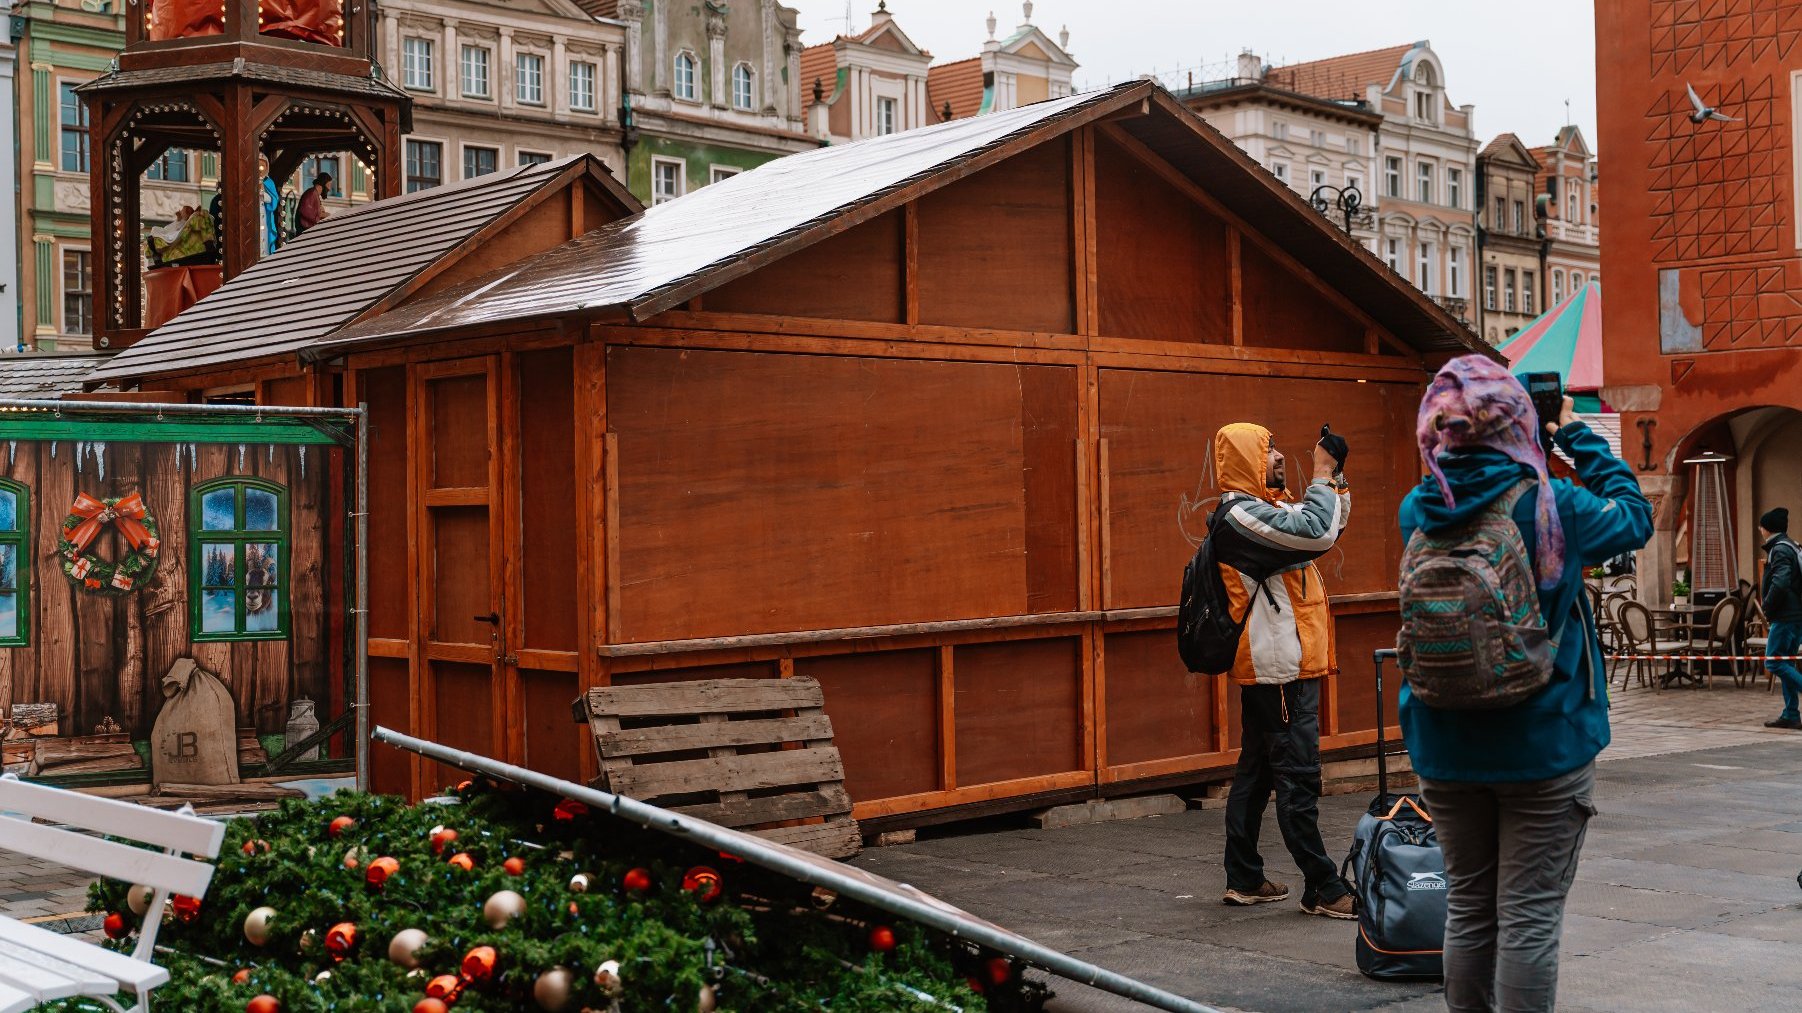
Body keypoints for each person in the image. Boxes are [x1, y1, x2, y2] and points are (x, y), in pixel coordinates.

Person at [1399, 356, 1652, 1013]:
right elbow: (1634, 517)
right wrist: (1574, 433)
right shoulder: (1551, 504)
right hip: (1544, 741)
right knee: (1529, 913)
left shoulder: (1419, 507)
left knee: (1470, 905)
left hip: (1444, 740)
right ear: (1517, 422)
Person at [1212, 421, 1357, 919]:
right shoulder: (1240, 517)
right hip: (1279, 674)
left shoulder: (1268, 510)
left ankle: (1245, 878)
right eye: (1269, 448)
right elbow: (1317, 533)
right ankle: (1323, 885)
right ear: (1247, 458)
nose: (1278, 455)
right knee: (1297, 777)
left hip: (1279, 668)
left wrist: (1333, 477)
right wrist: (1320, 473)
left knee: (1255, 773)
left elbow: (1329, 524)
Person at [1758, 507, 1802, 729]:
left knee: (1773, 662)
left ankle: (1791, 711)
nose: (1759, 529)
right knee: (1785, 662)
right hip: (1795, 615)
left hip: (1786, 616)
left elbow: (1782, 582)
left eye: (1761, 525)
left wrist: (1767, 604)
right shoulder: (1791, 545)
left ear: (1767, 528)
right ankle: (1791, 714)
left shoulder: (1780, 549)